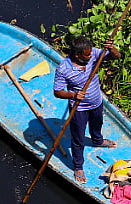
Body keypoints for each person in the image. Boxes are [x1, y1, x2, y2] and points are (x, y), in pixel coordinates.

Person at [53, 34, 123, 182]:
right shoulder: (63, 69)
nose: (91, 56)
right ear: (77, 55)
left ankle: (98, 140)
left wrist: (111, 48)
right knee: (78, 139)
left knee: (97, 124)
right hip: (79, 108)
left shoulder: (93, 54)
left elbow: (116, 56)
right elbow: (57, 92)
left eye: (91, 53)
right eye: (87, 55)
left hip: (97, 102)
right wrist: (73, 95)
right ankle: (78, 166)